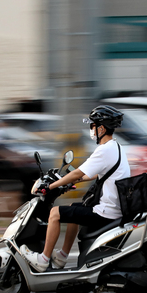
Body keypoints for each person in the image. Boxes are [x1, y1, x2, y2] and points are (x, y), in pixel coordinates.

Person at [20, 106, 130, 272]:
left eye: (92, 126)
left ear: (101, 128)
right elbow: (92, 174)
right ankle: (63, 255)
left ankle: (43, 259)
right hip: (112, 208)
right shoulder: (116, 147)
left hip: (105, 212)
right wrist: (75, 180)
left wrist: (50, 186)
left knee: (55, 213)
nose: (91, 130)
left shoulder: (104, 150)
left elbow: (79, 171)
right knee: (72, 208)